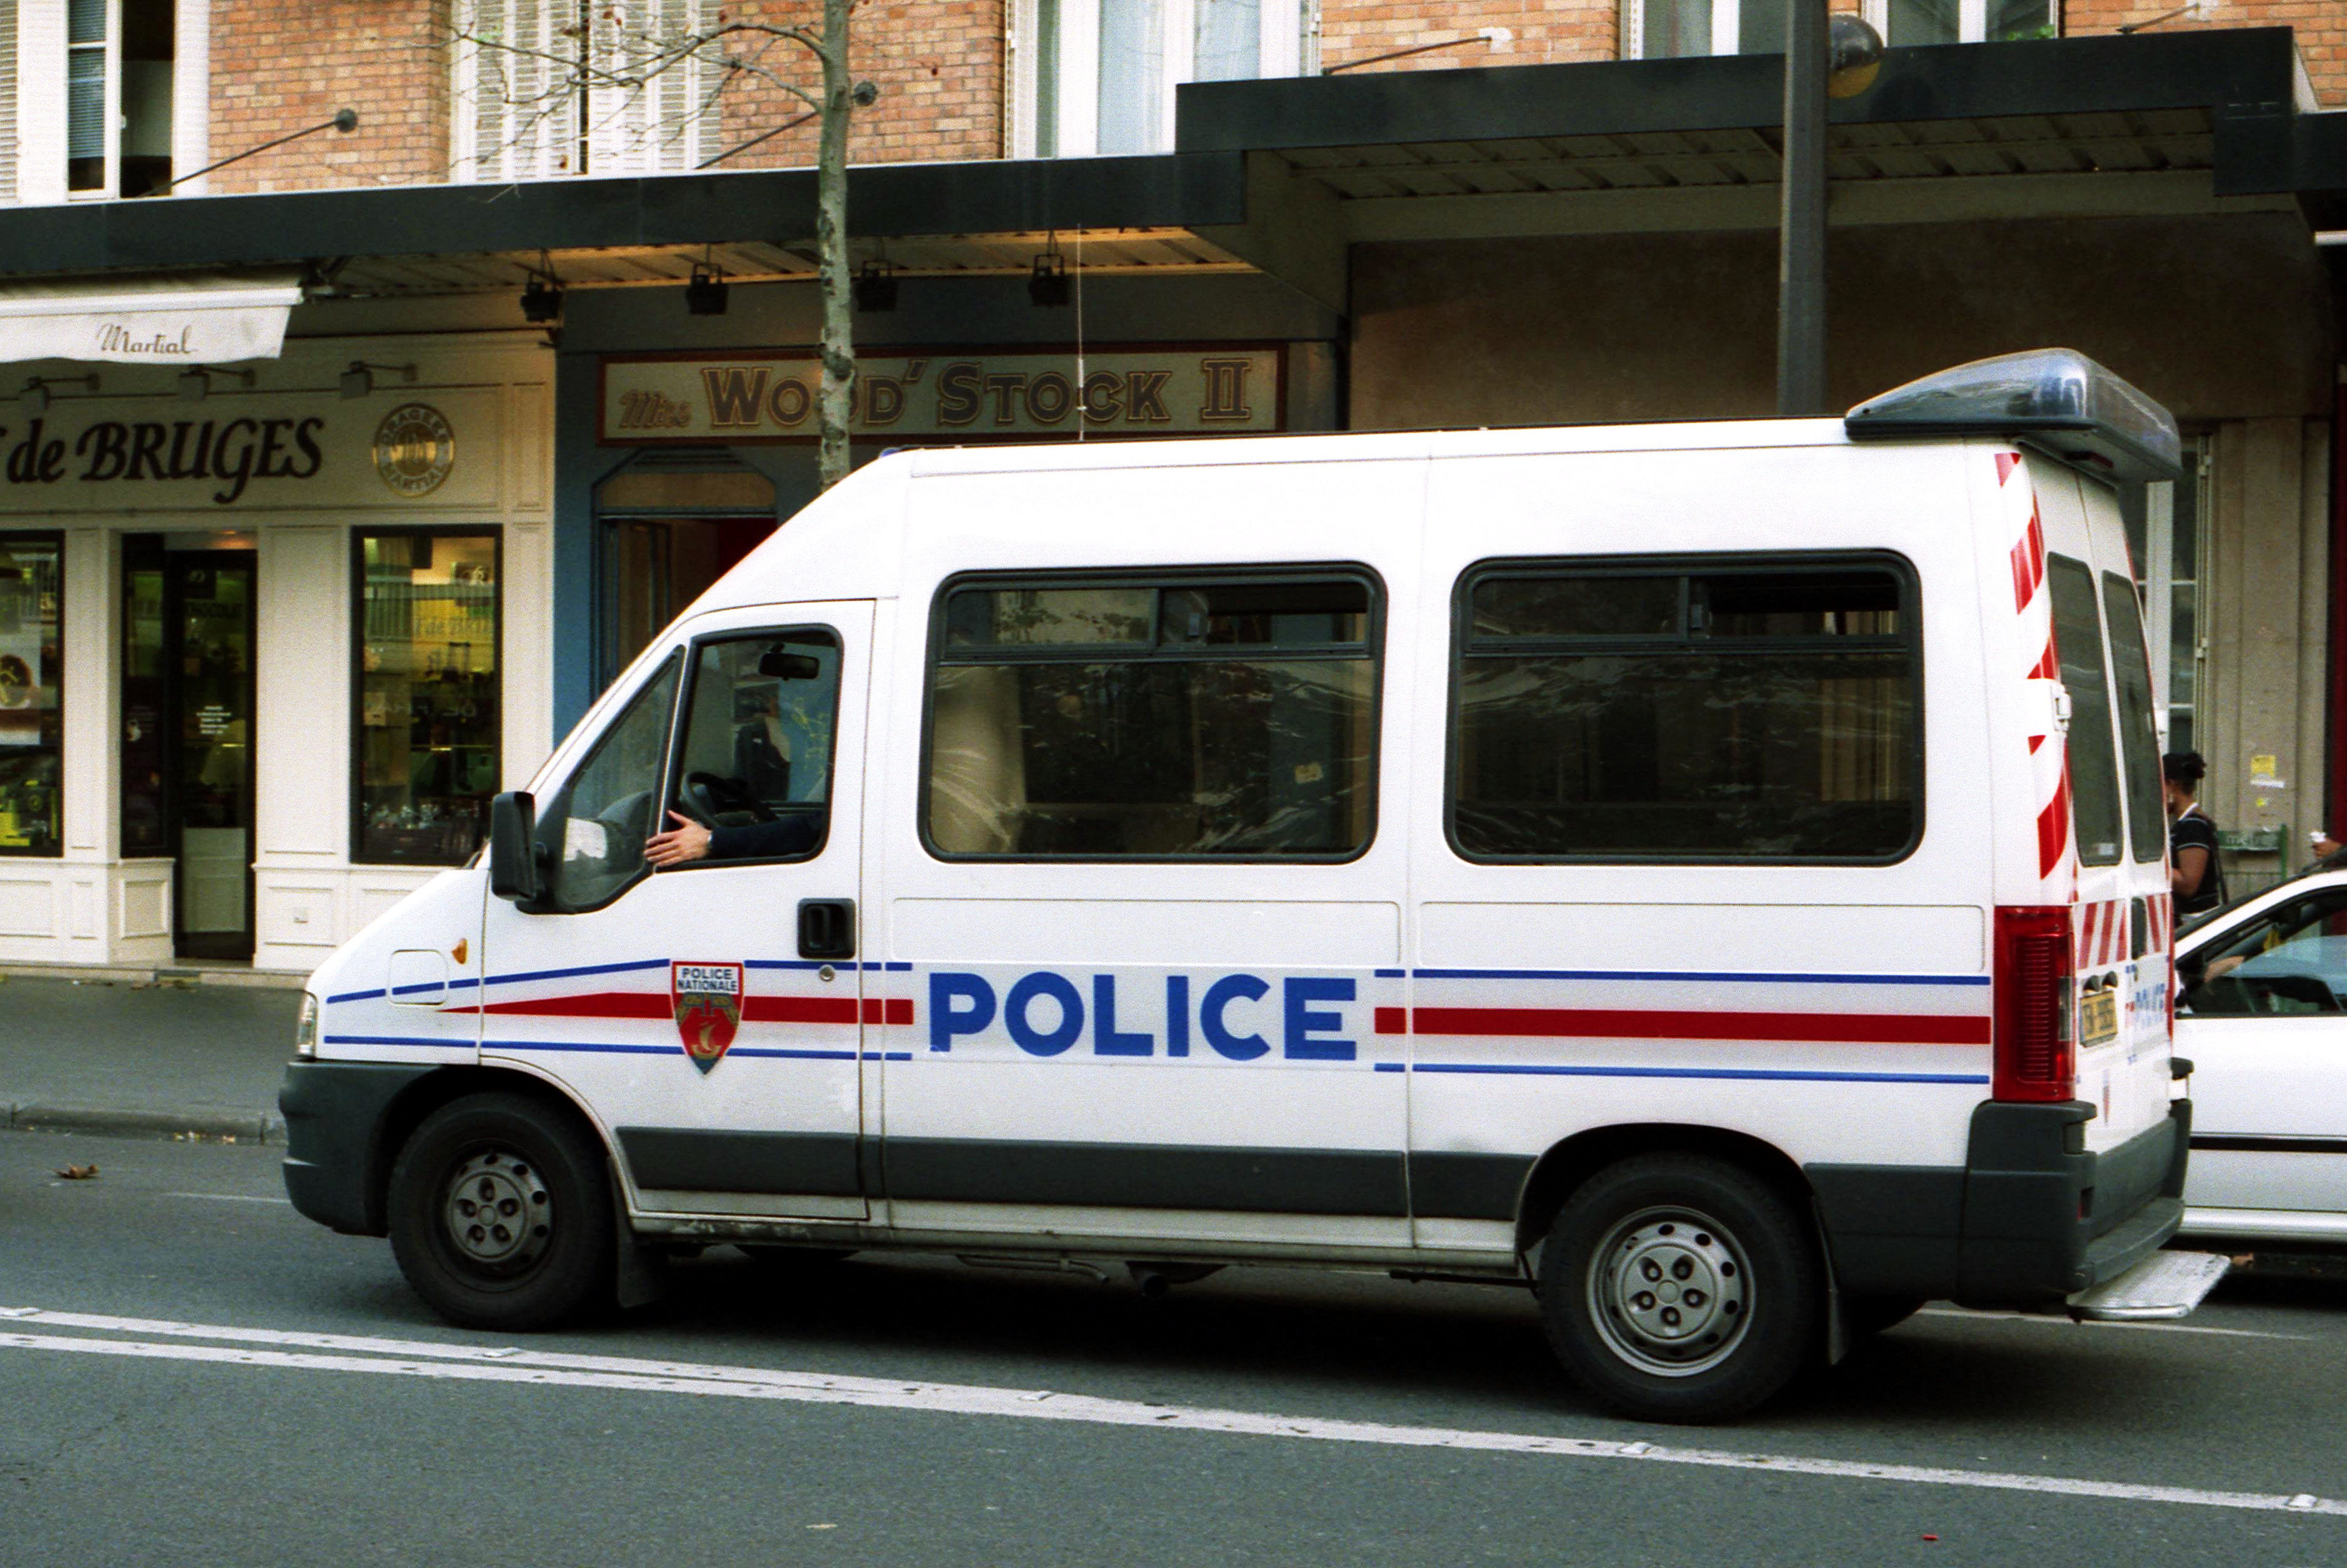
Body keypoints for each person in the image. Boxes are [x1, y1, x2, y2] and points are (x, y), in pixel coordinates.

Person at [2164, 750, 2226, 917]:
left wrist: (2151, 868)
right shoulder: (2187, 823)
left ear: (2172, 785)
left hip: (2196, 922)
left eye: (2159, 786)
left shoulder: (2192, 825)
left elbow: (2188, 884)